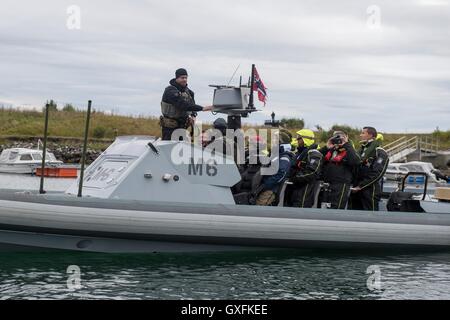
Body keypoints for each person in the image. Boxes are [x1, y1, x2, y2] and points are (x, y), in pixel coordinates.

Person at [160, 68, 213, 140]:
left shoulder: (189, 92)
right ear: (177, 78)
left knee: (182, 148)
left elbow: (192, 104)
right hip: (170, 128)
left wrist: (193, 115)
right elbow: (182, 104)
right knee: (169, 147)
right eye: (182, 78)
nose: (184, 79)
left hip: (183, 127)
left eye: (186, 77)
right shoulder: (170, 91)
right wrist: (202, 108)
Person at [349, 127, 389, 211]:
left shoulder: (380, 152)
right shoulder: (361, 150)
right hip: (355, 189)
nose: (360, 135)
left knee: (370, 216)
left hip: (370, 190)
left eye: (363, 133)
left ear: (370, 135)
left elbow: (377, 173)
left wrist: (361, 186)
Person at [319, 131, 360, 209]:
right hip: (327, 183)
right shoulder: (332, 149)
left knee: (335, 208)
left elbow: (356, 161)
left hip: (340, 184)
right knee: (323, 207)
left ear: (346, 137)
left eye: (341, 137)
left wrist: (346, 144)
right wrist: (326, 147)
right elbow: (318, 158)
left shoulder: (349, 149)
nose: (338, 139)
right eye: (336, 137)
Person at [255, 130, 295, 206]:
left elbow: (280, 174)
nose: (273, 141)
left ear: (281, 142)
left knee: (258, 208)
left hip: (270, 190)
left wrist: (265, 185)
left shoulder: (284, 157)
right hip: (263, 187)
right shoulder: (275, 155)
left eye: (276, 139)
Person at [287, 129, 323, 208]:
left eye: (299, 138)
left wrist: (294, 178)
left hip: (305, 192)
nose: (296, 140)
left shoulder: (314, 153)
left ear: (305, 139)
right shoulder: (299, 153)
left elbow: (313, 172)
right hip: (294, 189)